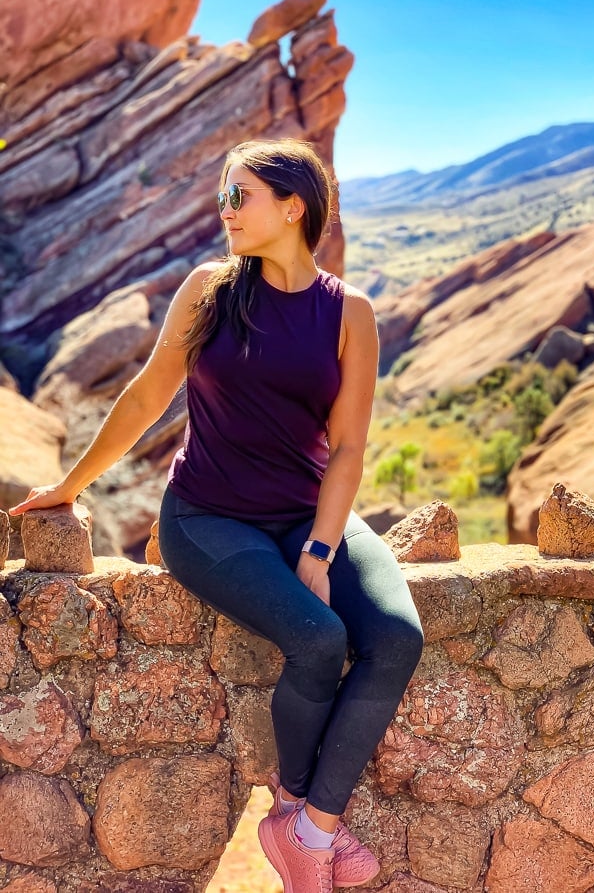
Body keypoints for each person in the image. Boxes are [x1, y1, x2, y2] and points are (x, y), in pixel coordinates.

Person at [10, 137, 424, 893]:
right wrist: (70, 484)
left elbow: (350, 447)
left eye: (241, 195)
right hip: (209, 519)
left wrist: (321, 549)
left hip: (309, 511)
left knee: (396, 635)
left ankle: (308, 828)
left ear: (292, 206)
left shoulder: (349, 312)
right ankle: (302, 813)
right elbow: (144, 395)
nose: (224, 210)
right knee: (318, 636)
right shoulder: (211, 289)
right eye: (222, 196)